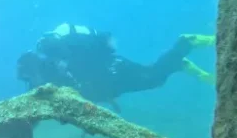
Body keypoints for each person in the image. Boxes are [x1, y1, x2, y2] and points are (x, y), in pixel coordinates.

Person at [16, 23, 215, 107]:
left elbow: (83, 79)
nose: (31, 84)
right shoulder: (52, 73)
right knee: (154, 78)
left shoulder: (55, 61)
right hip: (112, 81)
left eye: (28, 78)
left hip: (114, 71)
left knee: (153, 77)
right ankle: (178, 63)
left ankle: (185, 44)